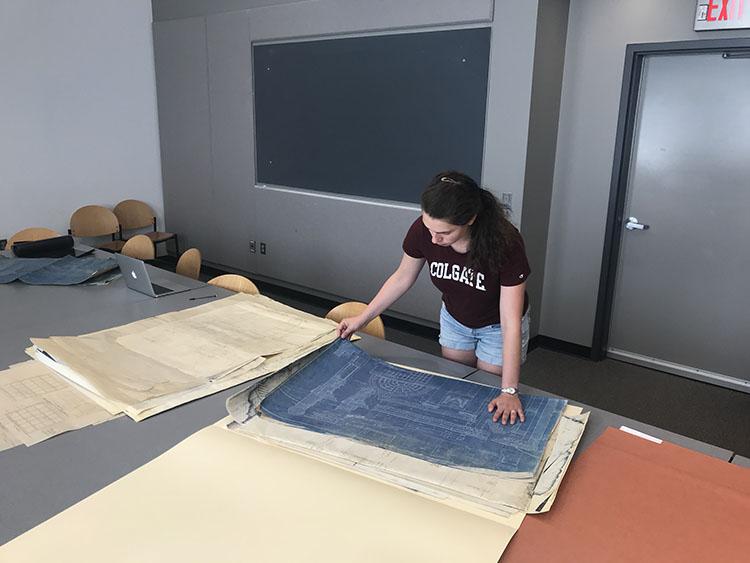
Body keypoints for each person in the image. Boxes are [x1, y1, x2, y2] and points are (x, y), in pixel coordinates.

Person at [337, 171, 531, 425]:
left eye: (445, 233)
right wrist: (362, 318)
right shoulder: (423, 230)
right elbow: (402, 278)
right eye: (429, 228)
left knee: (489, 390)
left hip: (496, 327)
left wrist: (509, 391)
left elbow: (510, 320)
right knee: (458, 382)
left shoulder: (506, 243)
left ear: (470, 219)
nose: (433, 239)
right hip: (455, 319)